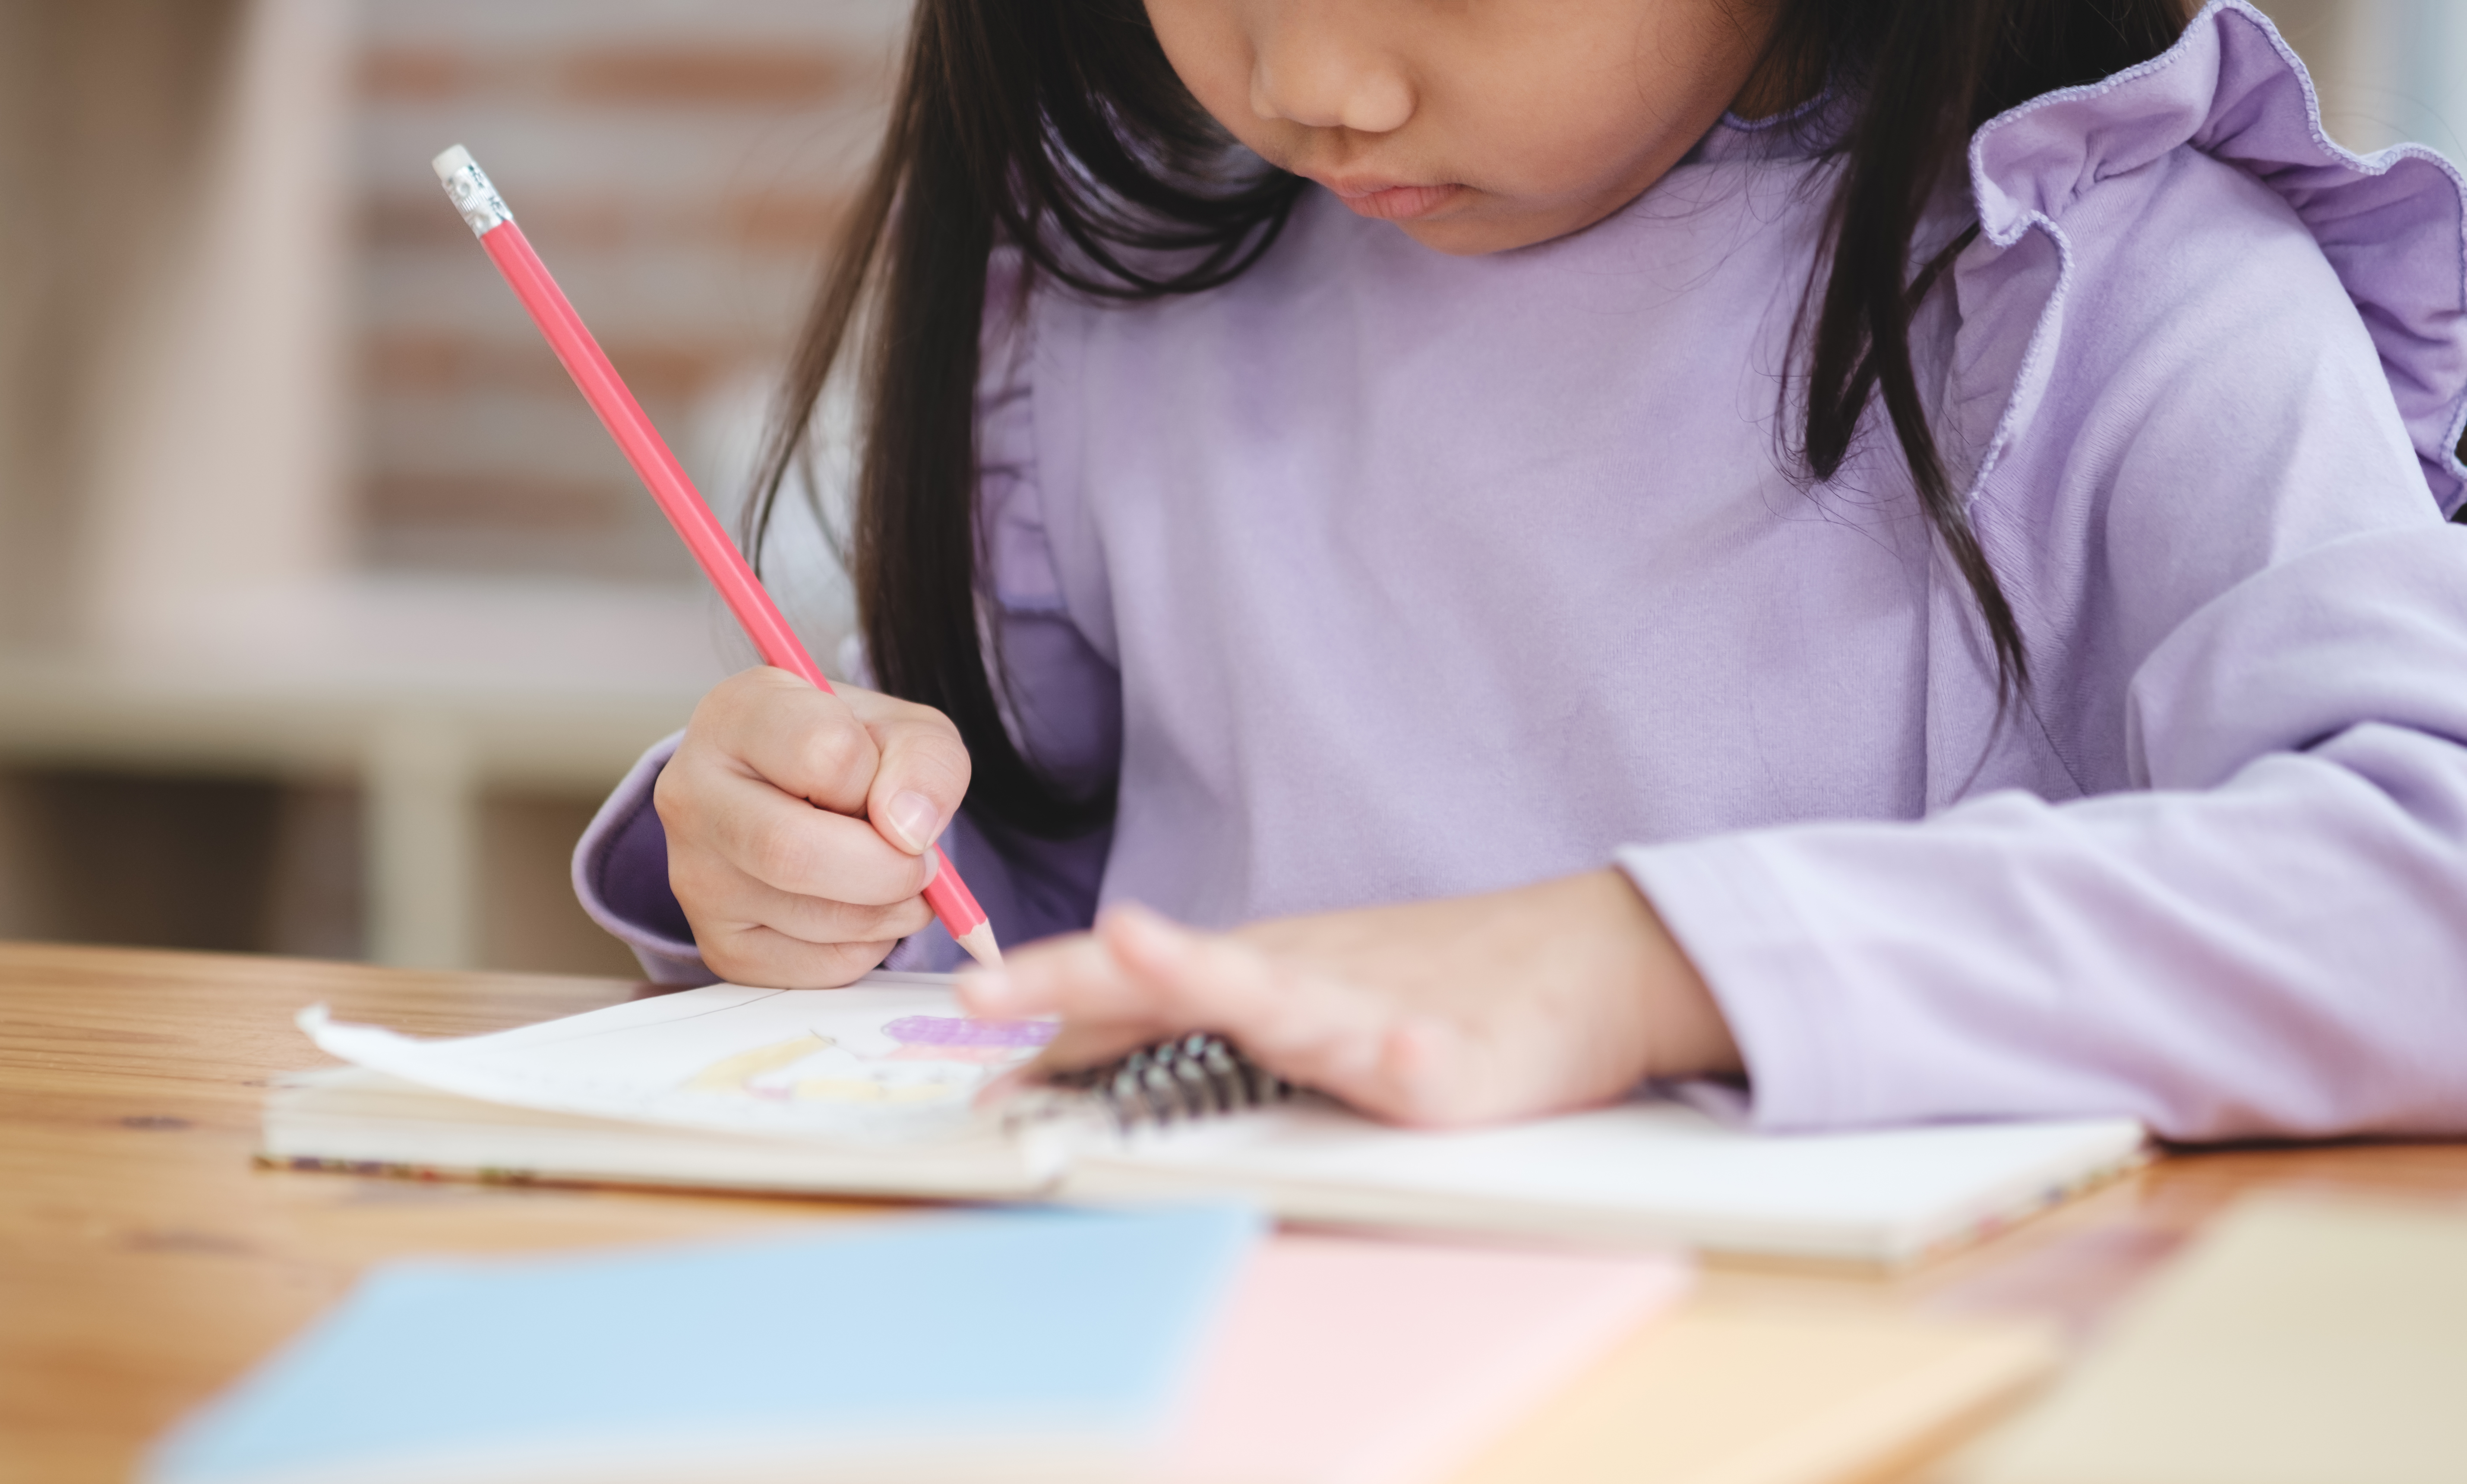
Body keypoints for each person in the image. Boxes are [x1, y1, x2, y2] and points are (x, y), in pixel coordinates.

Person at [574, 0, 2467, 1139]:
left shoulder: (2115, 288)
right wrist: (822, 862)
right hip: (1197, 1444)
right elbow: (1045, 895)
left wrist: (1634, 965)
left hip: (1865, 1478)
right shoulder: (1122, 300)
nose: (1316, 79)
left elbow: (2426, 885)